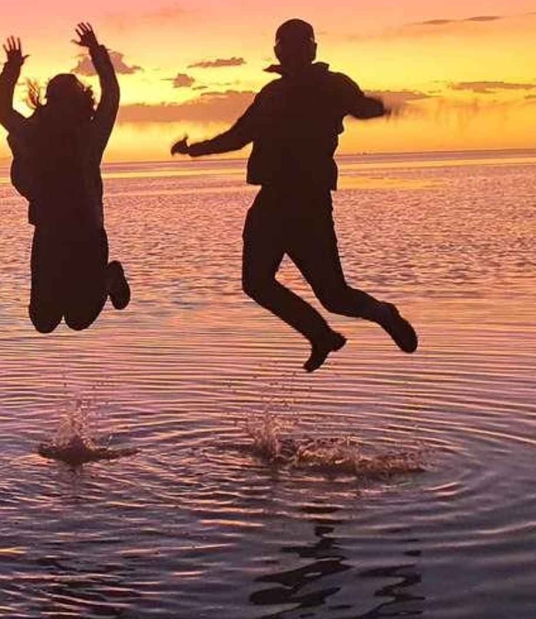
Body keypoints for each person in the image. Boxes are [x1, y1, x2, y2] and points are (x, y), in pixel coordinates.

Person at [171, 18, 418, 371]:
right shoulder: (271, 94)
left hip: (309, 204)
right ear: (279, 52)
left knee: (334, 296)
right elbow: (238, 135)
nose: (294, 53)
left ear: (312, 50)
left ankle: (383, 314)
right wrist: (194, 150)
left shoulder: (333, 85)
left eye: (301, 46)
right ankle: (320, 335)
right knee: (255, 283)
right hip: (271, 201)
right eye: (287, 47)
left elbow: (361, 107)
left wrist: (377, 107)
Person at [0, 23, 130, 333]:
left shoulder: (90, 135)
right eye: (56, 98)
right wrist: (11, 68)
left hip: (86, 235)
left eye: (67, 98)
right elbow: (2, 110)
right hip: (49, 234)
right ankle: (103, 280)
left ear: (78, 103)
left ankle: (109, 277)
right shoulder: (34, 133)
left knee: (79, 319)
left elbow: (112, 94)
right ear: (49, 102)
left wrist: (96, 51)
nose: (60, 106)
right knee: (43, 321)